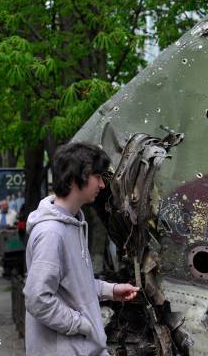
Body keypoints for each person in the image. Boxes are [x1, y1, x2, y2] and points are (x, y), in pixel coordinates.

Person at [23, 142, 139, 356]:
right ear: (80, 176)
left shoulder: (72, 225)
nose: (102, 185)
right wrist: (81, 325)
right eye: (98, 176)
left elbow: (72, 286)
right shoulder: (52, 233)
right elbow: (37, 298)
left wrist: (110, 291)